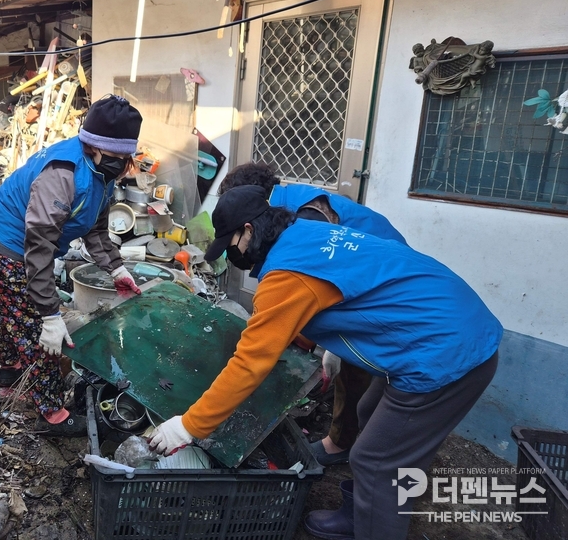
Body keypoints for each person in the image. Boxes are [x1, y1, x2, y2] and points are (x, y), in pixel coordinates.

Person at [148, 185, 501, 540]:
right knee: (370, 414)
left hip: (448, 350)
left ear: (249, 230)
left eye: (231, 244)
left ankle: (375, 520)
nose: (233, 254)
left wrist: (189, 426)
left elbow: (250, 363)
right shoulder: (304, 232)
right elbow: (326, 299)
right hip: (452, 320)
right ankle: (362, 514)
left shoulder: (286, 273)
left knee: (376, 462)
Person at [0, 95, 143, 436]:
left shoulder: (103, 173)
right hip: (6, 244)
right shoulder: (63, 174)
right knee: (38, 329)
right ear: (92, 145)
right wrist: (50, 316)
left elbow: (95, 227)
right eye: (114, 156)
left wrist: (116, 269)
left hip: (27, 245)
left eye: (125, 158)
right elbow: (38, 248)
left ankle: (8, 373)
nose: (120, 165)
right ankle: (51, 414)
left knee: (17, 311)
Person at [217, 162, 406, 466]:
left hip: (383, 286)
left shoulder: (307, 217)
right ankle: (349, 440)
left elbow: (312, 285)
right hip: (362, 279)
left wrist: (332, 344)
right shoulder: (282, 205)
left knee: (357, 370)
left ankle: (350, 446)